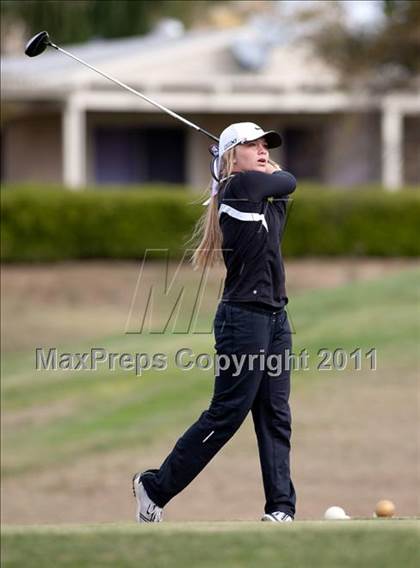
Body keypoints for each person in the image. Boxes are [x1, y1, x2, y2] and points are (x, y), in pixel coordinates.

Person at [132, 122, 297, 523]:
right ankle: (154, 487)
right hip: (243, 318)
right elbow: (288, 181)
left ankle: (281, 509)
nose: (262, 151)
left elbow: (282, 190)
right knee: (227, 414)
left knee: (275, 414)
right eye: (251, 145)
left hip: (275, 316)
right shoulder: (238, 189)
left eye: (265, 146)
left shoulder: (262, 194)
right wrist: (266, 172)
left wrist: (263, 170)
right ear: (230, 157)